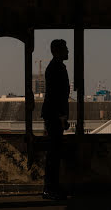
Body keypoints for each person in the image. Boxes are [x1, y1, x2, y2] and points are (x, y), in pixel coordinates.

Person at [41, 39, 70, 200]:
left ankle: (52, 188)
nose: (68, 51)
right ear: (58, 51)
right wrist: (61, 116)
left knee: (54, 153)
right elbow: (56, 95)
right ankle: (50, 188)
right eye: (66, 48)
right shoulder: (56, 68)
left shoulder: (55, 67)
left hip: (53, 115)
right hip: (54, 115)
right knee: (54, 153)